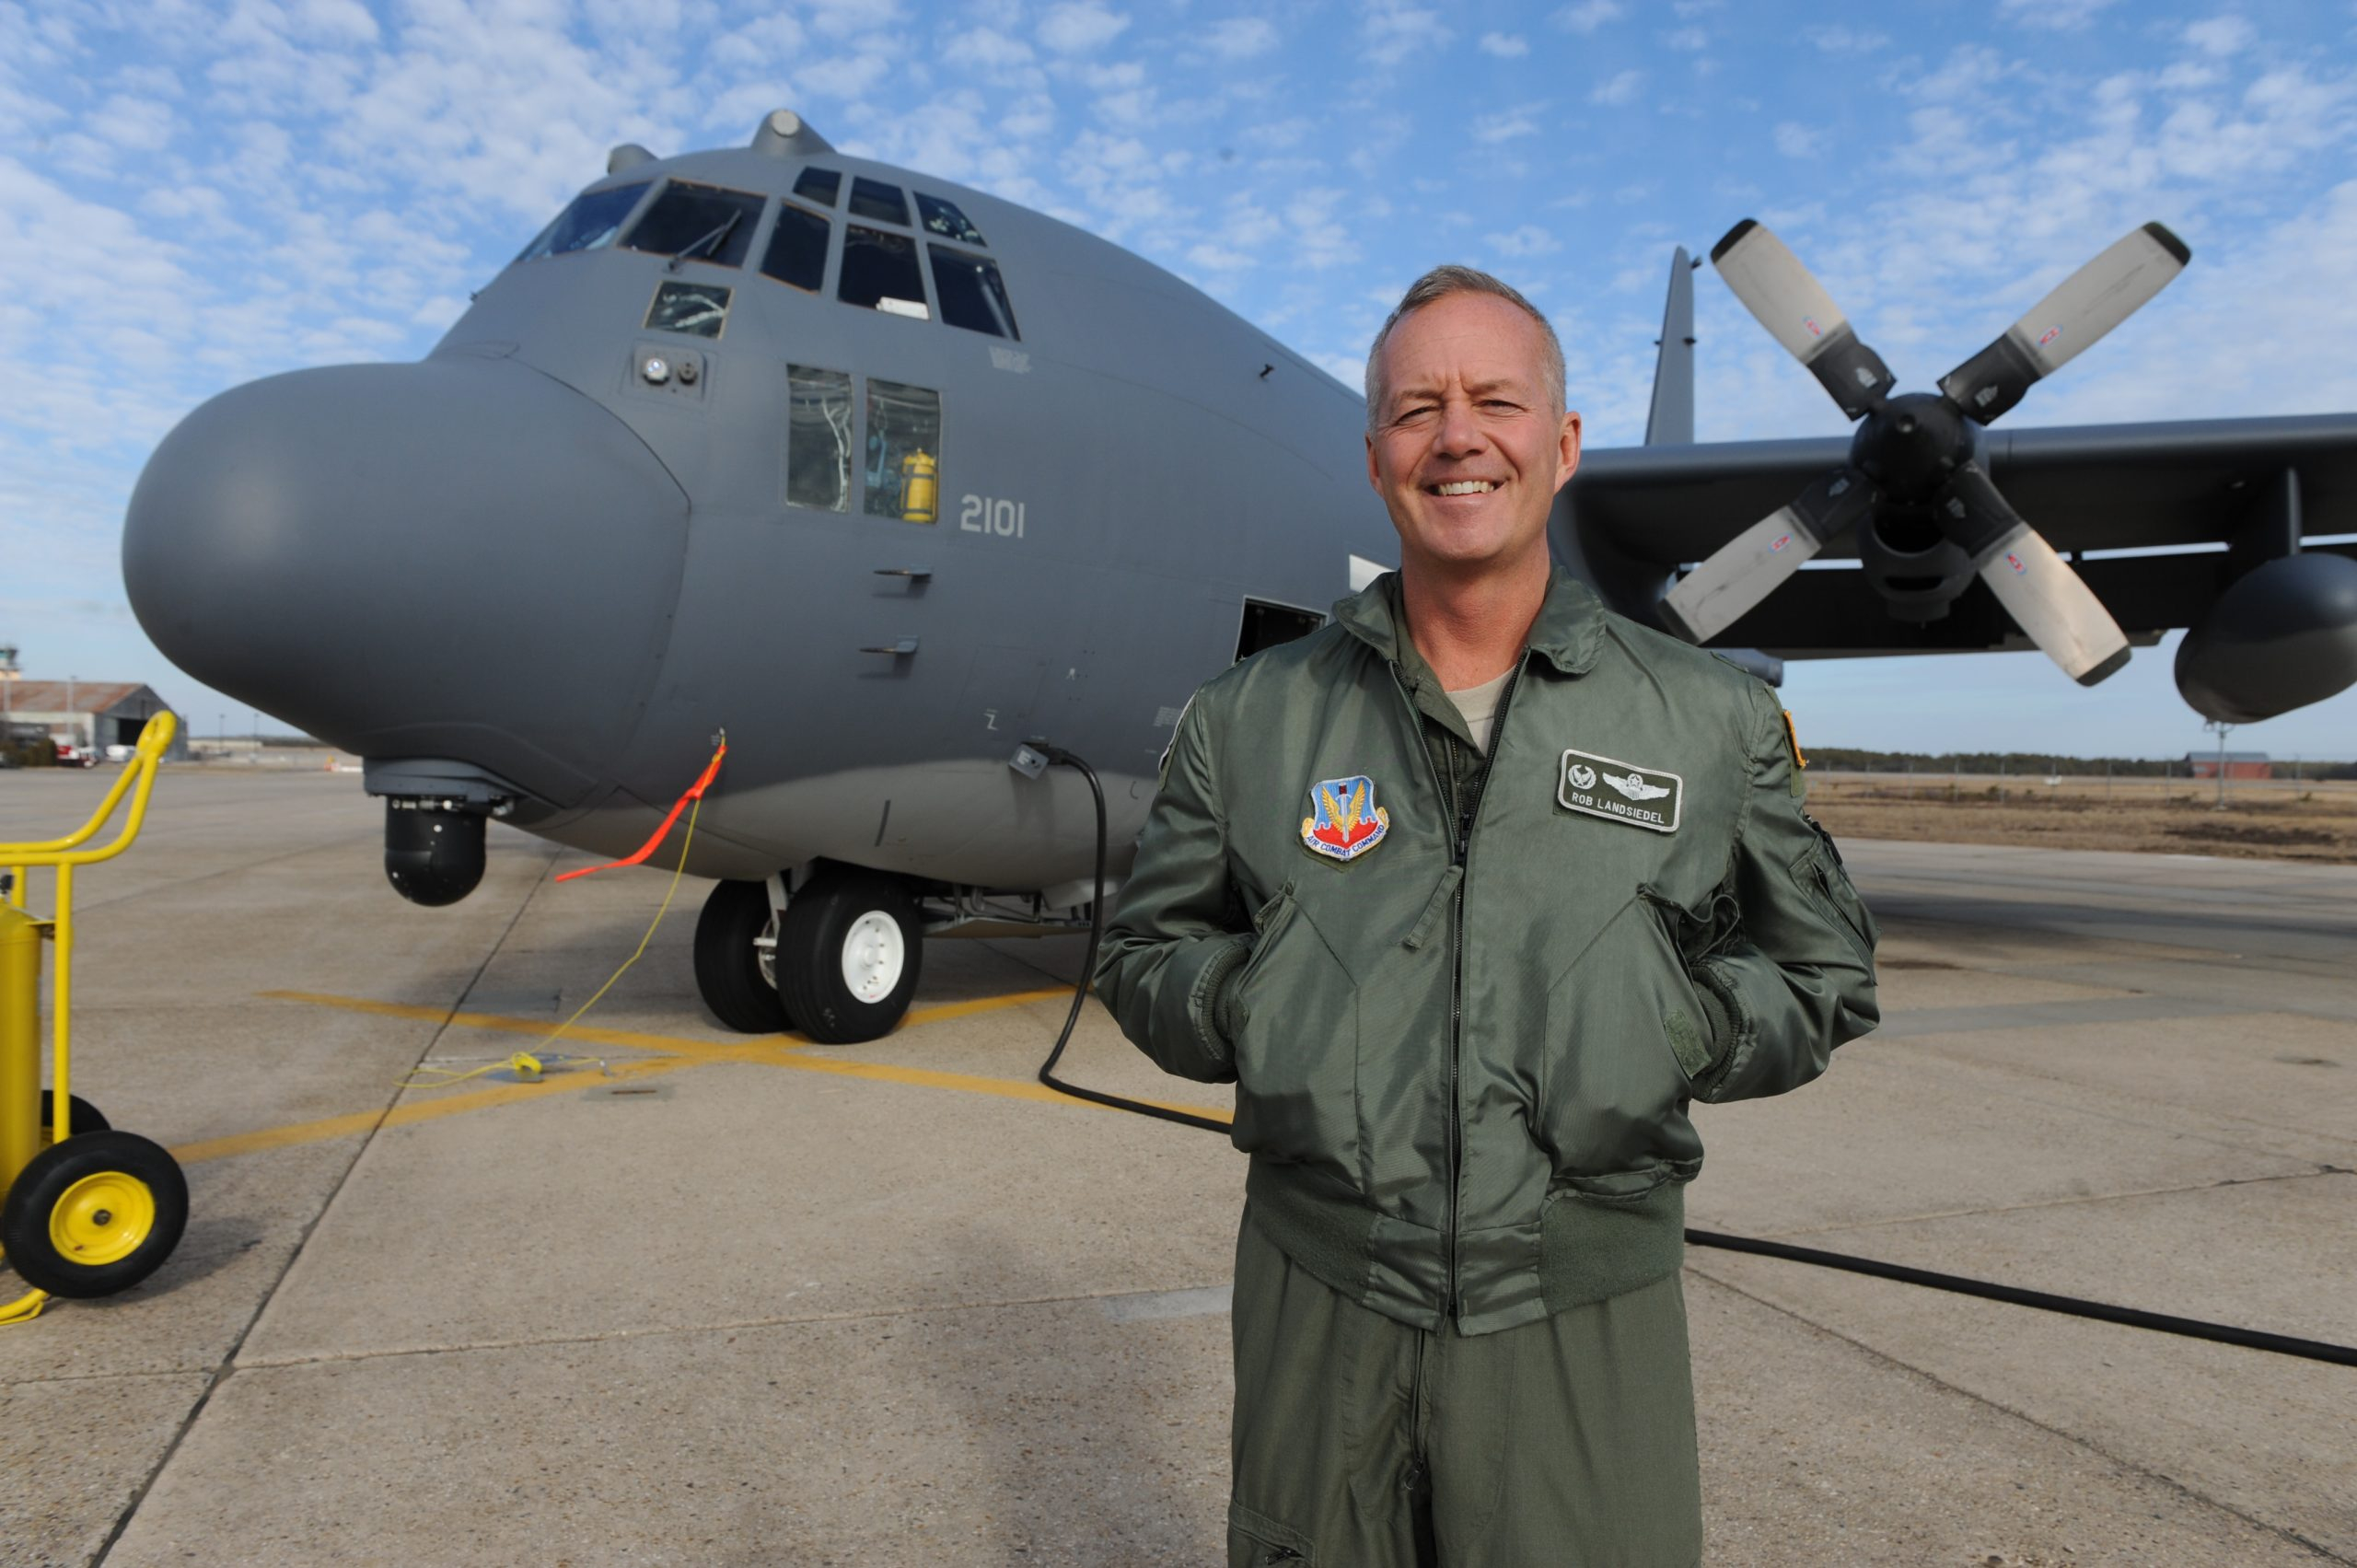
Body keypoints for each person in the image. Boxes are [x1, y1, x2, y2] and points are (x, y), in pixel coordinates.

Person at [1094, 265, 1880, 1567]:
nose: (1457, 435)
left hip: (1580, 1308)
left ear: (1560, 446)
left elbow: (1825, 971)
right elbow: (1143, 953)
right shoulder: (1249, 718)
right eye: (1417, 409)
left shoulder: (1710, 719)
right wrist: (1261, 1005)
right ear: (1375, 460)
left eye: (1496, 402)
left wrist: (1674, 1025)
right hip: (1321, 1299)